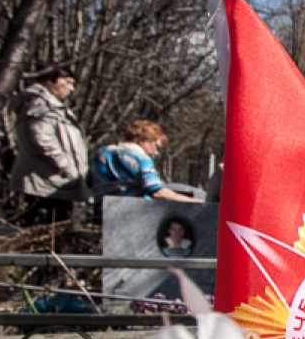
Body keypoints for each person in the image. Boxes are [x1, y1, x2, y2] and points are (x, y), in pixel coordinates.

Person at [10, 66, 88, 224]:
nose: (71, 89)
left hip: (54, 181)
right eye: (67, 82)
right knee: (46, 229)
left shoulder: (53, 106)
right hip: (45, 181)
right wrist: (66, 166)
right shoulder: (41, 105)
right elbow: (42, 139)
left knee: (58, 226)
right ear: (51, 81)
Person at [88, 120, 199, 205]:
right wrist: (196, 202)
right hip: (132, 215)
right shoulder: (140, 159)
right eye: (156, 146)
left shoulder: (100, 154)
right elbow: (157, 192)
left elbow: (89, 182)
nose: (156, 153)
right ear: (143, 141)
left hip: (102, 214)